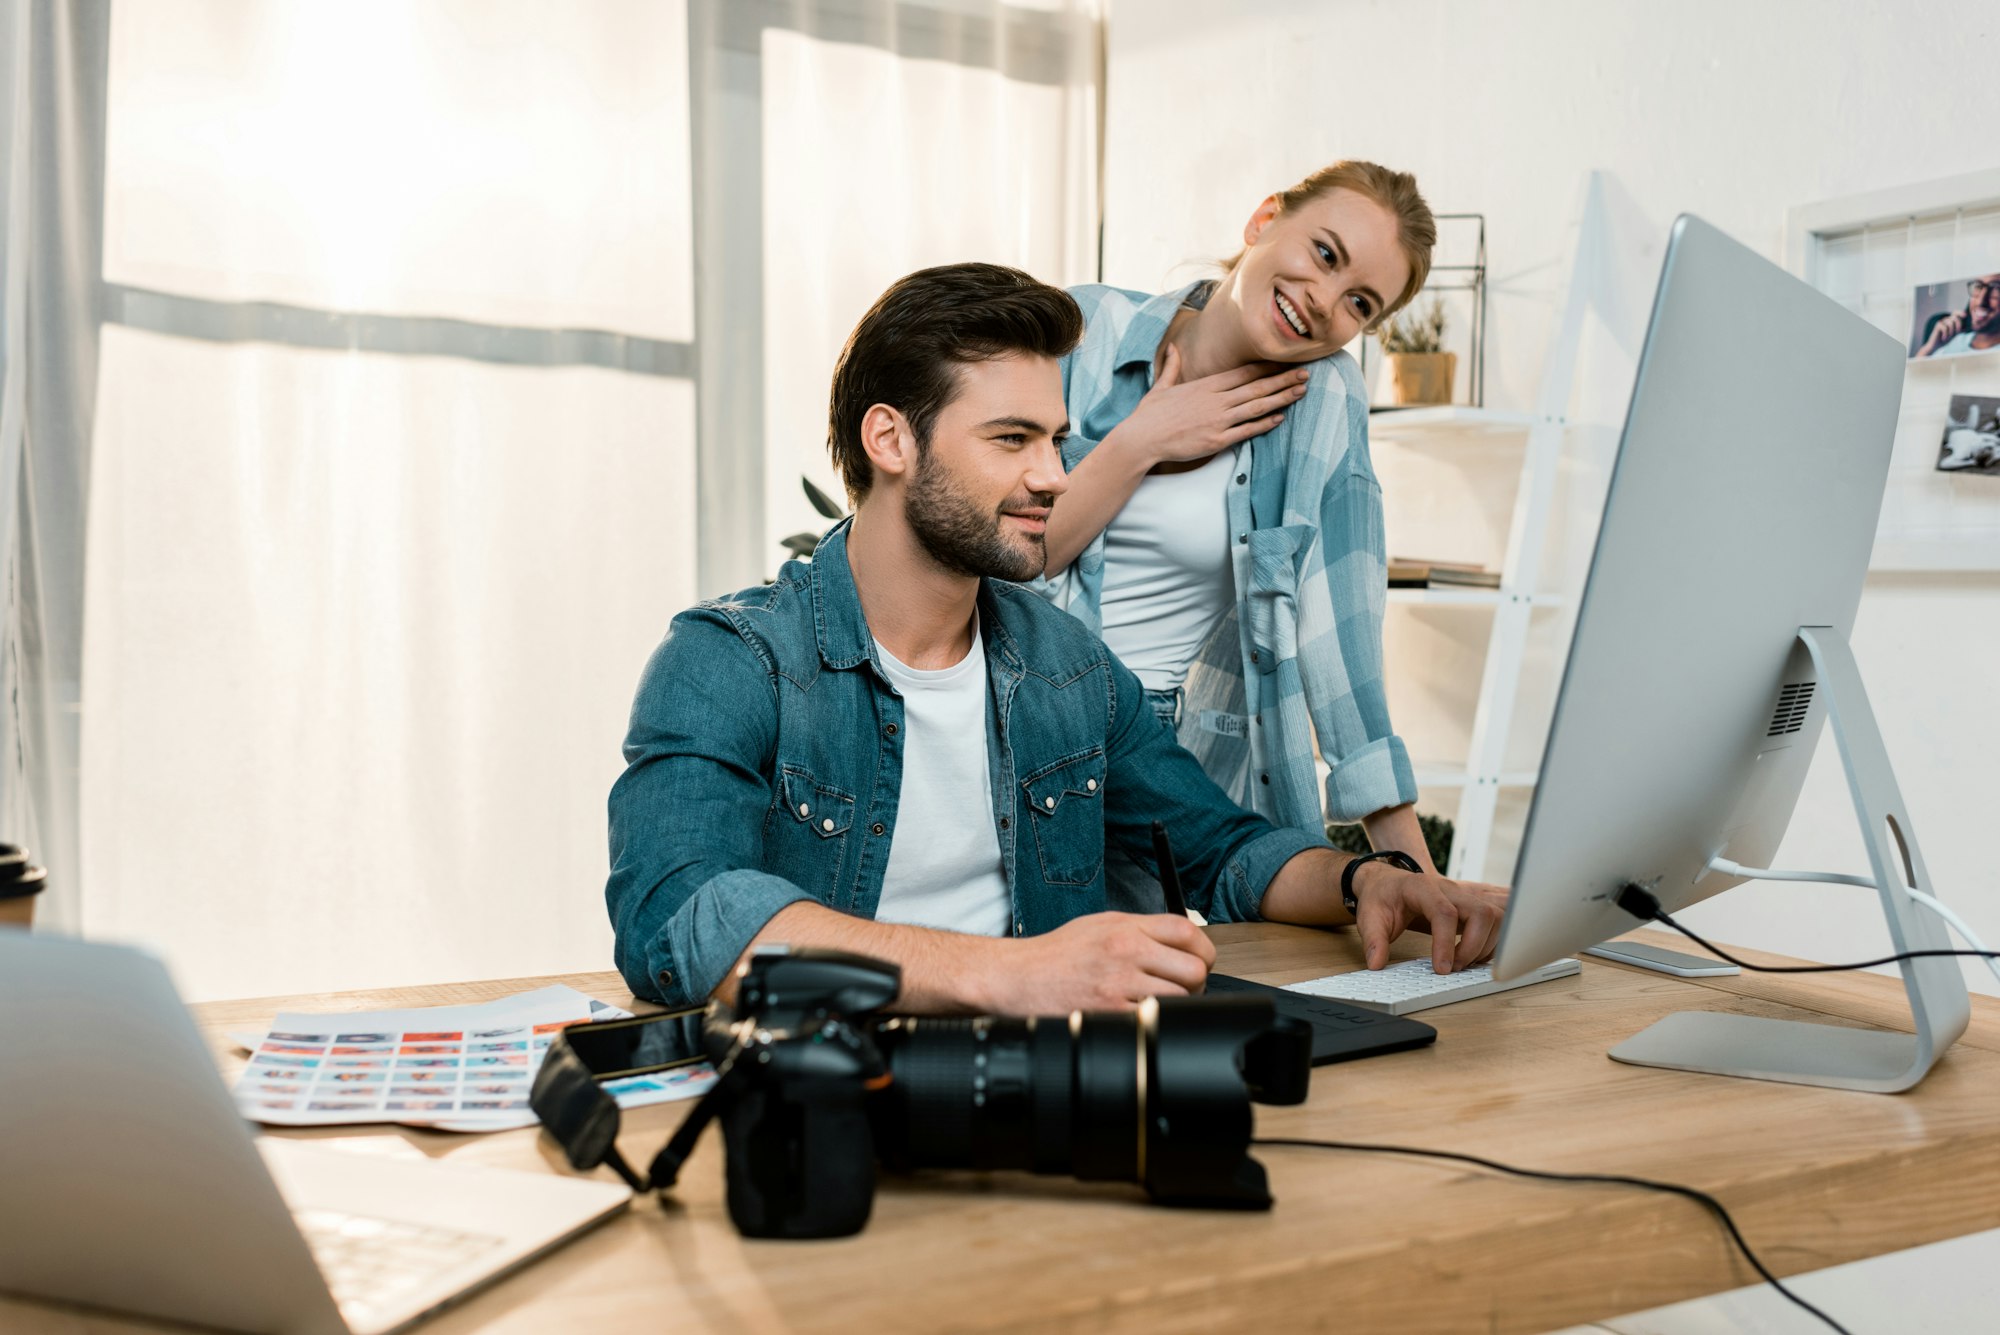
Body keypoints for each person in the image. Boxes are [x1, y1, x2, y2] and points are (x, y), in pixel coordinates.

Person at [605, 262, 1506, 1014]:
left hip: (1050, 1089)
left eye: (1056, 439)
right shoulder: (728, 661)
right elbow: (677, 914)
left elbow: (1224, 849)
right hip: (821, 1100)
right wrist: (1012, 973)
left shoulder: (1066, 665)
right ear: (890, 439)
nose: (1053, 475)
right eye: (1011, 439)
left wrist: (1366, 882)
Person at [1031, 161, 1452, 902]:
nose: (1324, 301)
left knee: (1148, 992)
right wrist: (1142, 441)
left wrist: (1421, 881)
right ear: (1264, 220)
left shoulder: (1323, 402)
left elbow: (1339, 638)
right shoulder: (1084, 329)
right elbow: (1002, 562)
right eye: (1325, 253)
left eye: (1360, 302)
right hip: (1019, 723)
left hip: (1163, 758)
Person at [1915, 273, 2000, 357]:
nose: (1980, 302)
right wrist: (1928, 349)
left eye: (1996, 288)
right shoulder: (1951, 342)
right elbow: (1913, 371)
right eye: (1978, 286)